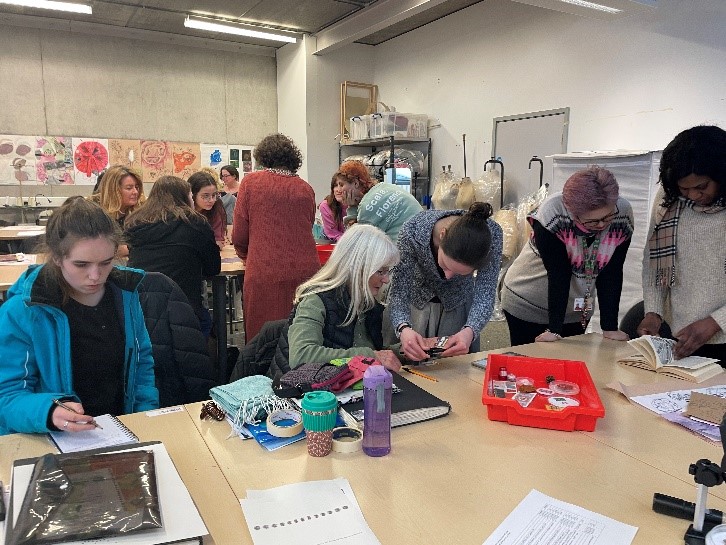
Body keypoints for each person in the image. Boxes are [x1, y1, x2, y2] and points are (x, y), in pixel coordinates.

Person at [0, 197, 159, 435]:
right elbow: (7, 395)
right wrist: (48, 411)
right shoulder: (22, 311)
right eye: (81, 264)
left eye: (105, 263)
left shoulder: (124, 295)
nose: (95, 275)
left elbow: (141, 362)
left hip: (118, 430)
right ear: (56, 257)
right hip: (51, 437)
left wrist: (145, 417)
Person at [501, 166, 634, 345]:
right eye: (593, 221)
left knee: (568, 366)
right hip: (528, 301)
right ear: (573, 212)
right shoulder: (552, 213)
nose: (602, 225)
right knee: (531, 366)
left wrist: (609, 327)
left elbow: (612, 271)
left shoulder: (622, 214)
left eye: (608, 216)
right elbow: (559, 274)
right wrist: (554, 329)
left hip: (575, 310)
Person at [637, 125, 726, 361]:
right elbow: (654, 260)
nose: (693, 196)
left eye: (701, 187)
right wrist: (654, 311)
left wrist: (717, 322)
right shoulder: (669, 201)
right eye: (684, 188)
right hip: (684, 337)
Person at [388, 202, 503, 361]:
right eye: (445, 265)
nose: (448, 277)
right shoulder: (412, 232)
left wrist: (470, 331)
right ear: (442, 235)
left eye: (461, 273)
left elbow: (485, 293)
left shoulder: (492, 235)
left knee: (455, 368)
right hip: (417, 306)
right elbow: (399, 291)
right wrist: (403, 327)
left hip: (459, 306)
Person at [232, 133, 320, 341]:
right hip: (305, 274)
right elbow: (307, 226)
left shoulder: (251, 183)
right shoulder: (305, 189)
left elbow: (239, 235)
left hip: (265, 270)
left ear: (262, 157)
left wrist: (247, 255)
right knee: (301, 337)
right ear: (293, 159)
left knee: (262, 341)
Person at [287, 224, 402, 372]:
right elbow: (301, 356)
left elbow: (371, 350)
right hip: (314, 392)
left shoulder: (367, 303)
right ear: (358, 267)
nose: (386, 280)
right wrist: (371, 356)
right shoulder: (315, 301)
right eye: (380, 271)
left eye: (387, 272)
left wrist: (408, 350)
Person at [125, 176, 221, 338]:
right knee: (208, 324)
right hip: (184, 305)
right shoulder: (196, 224)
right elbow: (213, 268)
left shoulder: (134, 223)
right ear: (185, 197)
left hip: (142, 307)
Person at [338, 160, 422, 242]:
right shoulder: (384, 185)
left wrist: (351, 207)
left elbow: (355, 241)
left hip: (405, 250)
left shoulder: (367, 208)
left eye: (341, 185)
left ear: (356, 183)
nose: (339, 190)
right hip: (424, 237)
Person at [91, 165, 145, 258]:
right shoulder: (94, 212)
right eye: (129, 188)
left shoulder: (140, 213)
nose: (135, 192)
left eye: (137, 187)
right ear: (114, 190)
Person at [189, 170, 227, 250]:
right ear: (192, 195)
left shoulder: (217, 206)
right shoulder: (182, 210)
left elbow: (218, 242)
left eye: (214, 195)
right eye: (205, 196)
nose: (211, 200)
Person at [318, 173, 348, 242]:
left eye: (341, 185)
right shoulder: (325, 206)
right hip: (331, 240)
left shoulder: (358, 204)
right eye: (335, 186)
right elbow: (332, 233)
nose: (338, 190)